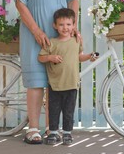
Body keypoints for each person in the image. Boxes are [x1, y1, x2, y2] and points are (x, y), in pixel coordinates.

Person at [14, 0, 80, 144]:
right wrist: (35, 30)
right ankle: (33, 128)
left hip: (60, 34)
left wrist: (72, 27)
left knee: (56, 83)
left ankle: (52, 129)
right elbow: (20, 1)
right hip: (34, 32)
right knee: (36, 81)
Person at [38, 8, 98, 145]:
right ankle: (53, 133)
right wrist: (50, 57)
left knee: (68, 111)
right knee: (53, 110)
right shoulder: (52, 42)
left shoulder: (76, 41)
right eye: (61, 24)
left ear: (73, 25)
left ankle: (67, 134)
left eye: (68, 24)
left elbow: (79, 57)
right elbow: (40, 57)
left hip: (72, 83)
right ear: (55, 25)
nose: (65, 28)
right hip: (55, 84)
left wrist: (89, 56)